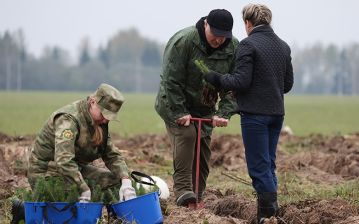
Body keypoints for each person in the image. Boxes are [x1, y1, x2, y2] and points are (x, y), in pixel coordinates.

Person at [203, 3, 294, 223]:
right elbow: (288, 84)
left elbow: (240, 82)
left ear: (247, 23)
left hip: (255, 116)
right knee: (269, 163)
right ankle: (271, 211)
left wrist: (214, 77)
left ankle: (268, 216)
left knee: (258, 166)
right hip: (277, 114)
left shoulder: (247, 45)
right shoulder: (283, 46)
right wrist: (268, 86)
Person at [11, 83, 136, 223]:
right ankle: (25, 209)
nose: (106, 119)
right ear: (93, 102)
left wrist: (126, 181)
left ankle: (118, 219)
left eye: (109, 116)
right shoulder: (68, 120)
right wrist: (83, 188)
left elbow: (111, 154)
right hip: (47, 172)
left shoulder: (99, 122)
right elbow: (63, 160)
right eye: (104, 114)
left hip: (75, 169)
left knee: (114, 182)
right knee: (70, 199)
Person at [154, 9, 238, 208]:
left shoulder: (234, 47)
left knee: (203, 151)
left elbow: (233, 84)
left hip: (204, 107)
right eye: (215, 34)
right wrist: (179, 111)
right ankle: (183, 191)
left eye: (223, 36)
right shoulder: (184, 41)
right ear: (206, 24)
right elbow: (171, 81)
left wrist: (223, 112)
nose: (218, 40)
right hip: (174, 102)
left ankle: (197, 197)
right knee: (188, 135)